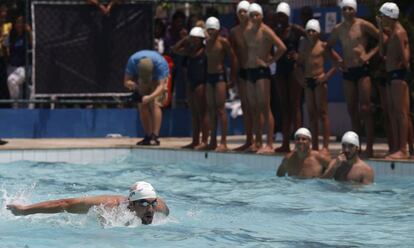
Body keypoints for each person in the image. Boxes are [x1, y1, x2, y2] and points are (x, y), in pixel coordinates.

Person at [327, 0, 383, 157]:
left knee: (365, 108)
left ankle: (370, 147)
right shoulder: (338, 29)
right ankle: (356, 147)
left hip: (362, 69)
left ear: (355, 10)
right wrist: (337, 62)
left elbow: (382, 37)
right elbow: (327, 47)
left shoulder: (362, 25)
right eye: (344, 8)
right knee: (352, 109)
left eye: (350, 8)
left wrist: (369, 55)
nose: (347, 11)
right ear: (341, 11)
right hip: (348, 71)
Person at [7, 181, 169, 225]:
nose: (150, 210)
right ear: (131, 204)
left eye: (152, 203)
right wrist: (24, 210)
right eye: (143, 204)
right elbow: (64, 203)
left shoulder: (159, 207)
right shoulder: (108, 205)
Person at [244, 3, 287, 154]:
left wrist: (269, 62)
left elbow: (282, 47)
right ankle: (257, 142)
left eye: (257, 15)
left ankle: (269, 143)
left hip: (262, 72)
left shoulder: (266, 31)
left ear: (261, 16)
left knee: (264, 107)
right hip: (250, 72)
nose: (254, 17)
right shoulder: (247, 31)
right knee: (254, 108)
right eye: (252, 15)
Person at [297, 19, 342, 153]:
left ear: (318, 32)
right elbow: (298, 64)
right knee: (311, 115)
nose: (310, 33)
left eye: (313, 31)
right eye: (308, 31)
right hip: (308, 81)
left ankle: (325, 146)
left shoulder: (323, 46)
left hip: (319, 82)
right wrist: (300, 79)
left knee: (323, 113)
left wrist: (326, 76)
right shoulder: (303, 46)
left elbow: (338, 61)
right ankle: (314, 145)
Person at [377, 3, 412, 159]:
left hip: (399, 75)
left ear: (389, 16)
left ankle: (403, 150)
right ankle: (398, 147)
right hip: (392, 74)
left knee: (401, 113)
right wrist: (379, 29)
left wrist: (400, 63)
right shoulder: (392, 33)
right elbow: (382, 52)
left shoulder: (399, 33)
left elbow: (406, 59)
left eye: (382, 16)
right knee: (394, 112)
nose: (381, 19)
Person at [272, 2, 306, 153]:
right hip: (280, 69)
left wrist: (300, 55)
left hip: (293, 70)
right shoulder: (275, 31)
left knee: (295, 105)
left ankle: (298, 143)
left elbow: (315, 40)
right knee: (284, 106)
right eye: (278, 16)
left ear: (288, 16)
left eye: (283, 16)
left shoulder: (296, 30)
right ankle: (286, 143)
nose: (280, 19)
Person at [171, 27, 209, 150]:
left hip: (201, 83)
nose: (193, 42)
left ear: (201, 40)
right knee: (193, 114)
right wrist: (185, 39)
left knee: (202, 113)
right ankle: (195, 140)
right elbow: (174, 49)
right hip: (191, 83)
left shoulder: (205, 51)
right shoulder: (189, 51)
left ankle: (204, 140)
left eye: (196, 39)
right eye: (192, 39)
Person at [204, 16, 238, 151]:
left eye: (213, 30)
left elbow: (233, 58)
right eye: (209, 30)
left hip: (219, 77)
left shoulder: (223, 42)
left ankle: (223, 142)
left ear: (218, 30)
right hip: (208, 77)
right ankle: (212, 141)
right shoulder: (205, 42)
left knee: (221, 109)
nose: (211, 32)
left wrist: (233, 78)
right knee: (211, 110)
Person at [124, 50, 169, 146]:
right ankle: (148, 136)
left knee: (155, 104)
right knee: (142, 105)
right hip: (142, 79)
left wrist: (150, 97)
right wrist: (133, 85)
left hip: (158, 79)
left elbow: (161, 86)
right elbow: (126, 81)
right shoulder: (132, 61)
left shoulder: (161, 64)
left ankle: (155, 136)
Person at [229, 0, 254, 152]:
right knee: (245, 106)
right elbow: (234, 56)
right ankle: (249, 140)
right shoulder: (234, 32)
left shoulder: (256, 29)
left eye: (245, 11)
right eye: (240, 12)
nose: (242, 14)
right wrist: (233, 75)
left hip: (256, 71)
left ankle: (258, 141)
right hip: (243, 72)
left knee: (257, 107)